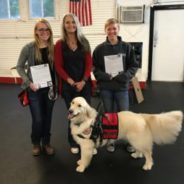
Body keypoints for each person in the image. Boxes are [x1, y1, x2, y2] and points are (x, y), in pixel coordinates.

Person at [93, 18, 139, 152]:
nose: (112, 31)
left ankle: (128, 140)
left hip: (121, 87)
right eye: (109, 29)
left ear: (118, 29)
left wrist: (124, 77)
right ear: (105, 30)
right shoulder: (99, 49)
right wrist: (105, 76)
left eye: (114, 28)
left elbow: (133, 66)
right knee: (109, 116)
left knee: (125, 115)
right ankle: (111, 140)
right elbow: (95, 68)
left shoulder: (127, 47)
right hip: (106, 88)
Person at [16, 19, 56, 156]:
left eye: (47, 29)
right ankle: (35, 142)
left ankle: (46, 143)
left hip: (50, 89)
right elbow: (20, 67)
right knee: (38, 118)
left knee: (48, 117)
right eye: (41, 29)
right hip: (34, 89)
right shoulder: (28, 48)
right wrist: (29, 83)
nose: (44, 32)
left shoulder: (54, 48)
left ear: (50, 31)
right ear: (36, 32)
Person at [54, 13, 93, 154]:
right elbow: (58, 66)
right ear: (64, 25)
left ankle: (88, 142)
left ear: (77, 24)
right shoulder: (59, 44)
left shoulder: (84, 42)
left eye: (73, 22)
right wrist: (70, 81)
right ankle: (73, 142)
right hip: (68, 86)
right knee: (74, 115)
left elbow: (89, 65)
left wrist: (83, 81)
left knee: (86, 115)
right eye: (67, 22)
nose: (71, 25)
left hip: (84, 85)